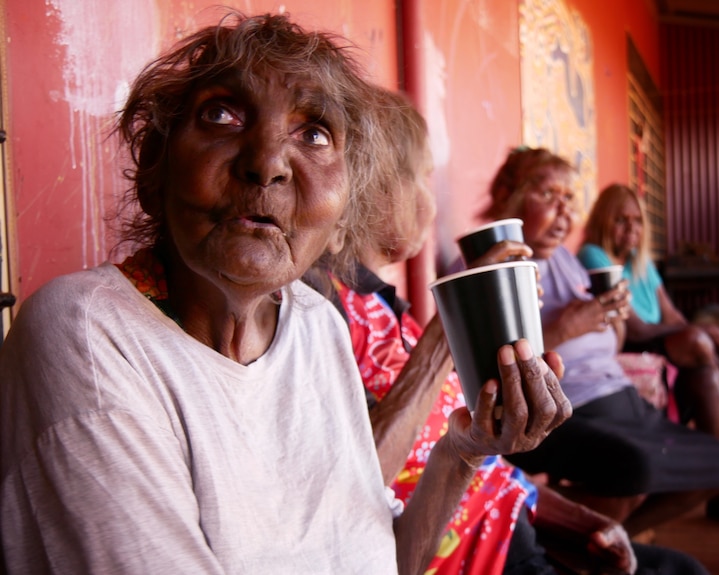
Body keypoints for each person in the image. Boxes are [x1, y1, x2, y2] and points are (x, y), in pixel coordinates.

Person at [0, 14, 572, 574]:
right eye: (221, 115)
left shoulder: (315, 322)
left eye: (314, 133)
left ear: (346, 201)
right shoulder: (87, 333)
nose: (267, 163)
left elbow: (379, 559)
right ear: (155, 169)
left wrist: (464, 449)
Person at [307, 90, 710, 574]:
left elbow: (479, 459)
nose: (432, 200)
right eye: (422, 177)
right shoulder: (323, 312)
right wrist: (449, 330)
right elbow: (362, 486)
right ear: (369, 185)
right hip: (476, 554)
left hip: (512, 521)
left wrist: (579, 522)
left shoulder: (385, 308)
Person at [479, 147, 719, 537]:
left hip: (617, 395)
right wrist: (566, 328)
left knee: (718, 463)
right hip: (559, 412)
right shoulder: (490, 265)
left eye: (567, 199)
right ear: (508, 197)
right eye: (549, 196)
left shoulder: (565, 259)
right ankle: (564, 538)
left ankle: (605, 544)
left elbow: (607, 340)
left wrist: (612, 319)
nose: (563, 213)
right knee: (636, 469)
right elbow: (487, 369)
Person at [578, 182, 719, 523]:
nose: (631, 228)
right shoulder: (594, 255)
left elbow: (672, 316)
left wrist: (699, 330)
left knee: (705, 370)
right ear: (603, 221)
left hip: (658, 340)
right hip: (631, 341)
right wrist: (699, 334)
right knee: (697, 342)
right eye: (621, 220)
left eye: (637, 221)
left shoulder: (641, 262)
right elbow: (635, 328)